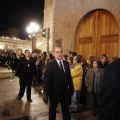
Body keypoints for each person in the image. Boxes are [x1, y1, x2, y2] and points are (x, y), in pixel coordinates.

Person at [44, 46, 74, 120]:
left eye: (61, 52)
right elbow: (47, 80)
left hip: (65, 93)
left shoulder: (66, 63)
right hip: (54, 93)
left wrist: (71, 89)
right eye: (57, 52)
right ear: (54, 54)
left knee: (66, 111)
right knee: (52, 111)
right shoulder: (50, 64)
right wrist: (46, 94)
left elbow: (69, 78)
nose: (59, 54)